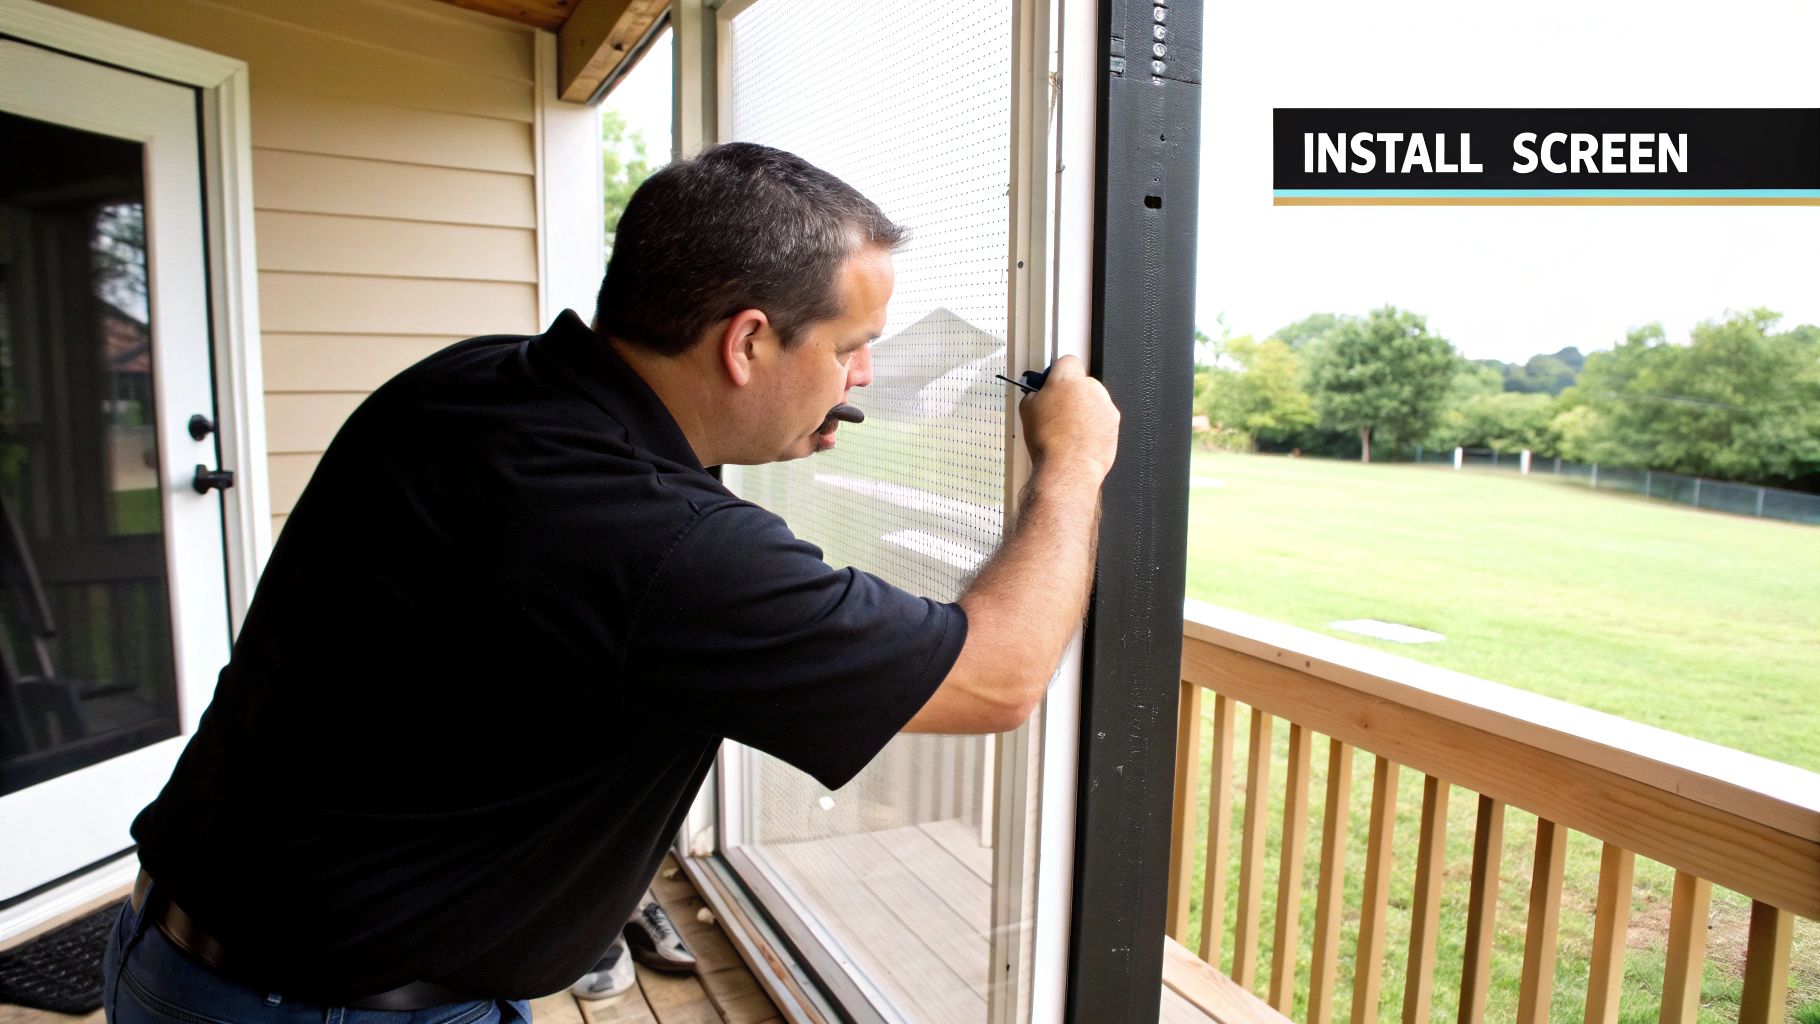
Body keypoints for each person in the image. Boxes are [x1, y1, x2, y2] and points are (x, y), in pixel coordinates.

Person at [102, 142, 1117, 1024]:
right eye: (850, 349)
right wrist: (1070, 461)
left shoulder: (476, 383)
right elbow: (998, 676)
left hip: (184, 944)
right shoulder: (661, 544)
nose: (858, 380)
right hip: (334, 1006)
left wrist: (745, 430)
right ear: (748, 341)